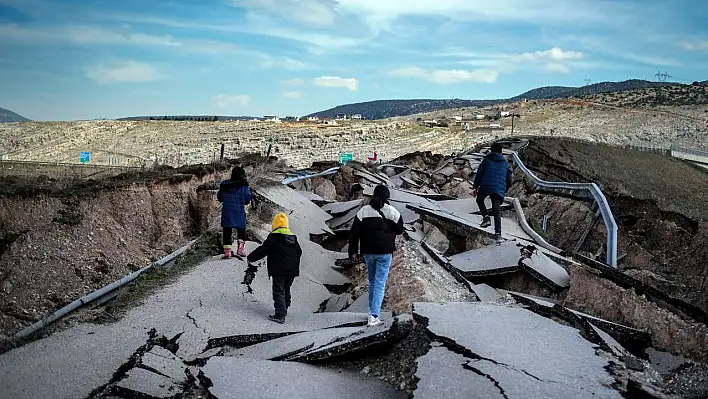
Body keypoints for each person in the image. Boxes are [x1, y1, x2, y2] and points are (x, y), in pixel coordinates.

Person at [348, 185, 404, 327]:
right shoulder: (391, 211)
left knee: (372, 281)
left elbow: (354, 234)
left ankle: (371, 311)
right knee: (379, 283)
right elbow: (399, 229)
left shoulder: (363, 211)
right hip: (385, 252)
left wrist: (353, 251)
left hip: (368, 252)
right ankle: (374, 316)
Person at [247, 212, 302, 324]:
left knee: (278, 290)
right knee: (286, 288)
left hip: (279, 269)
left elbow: (262, 250)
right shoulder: (293, 238)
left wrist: (250, 258)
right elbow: (299, 252)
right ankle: (285, 308)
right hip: (292, 271)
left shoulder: (274, 238)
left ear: (275, 225)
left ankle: (280, 315)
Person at [472, 142, 513, 240]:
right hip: (499, 188)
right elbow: (509, 179)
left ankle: (486, 218)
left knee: (480, 200)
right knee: (496, 208)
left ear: (491, 150)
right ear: (501, 151)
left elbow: (479, 173)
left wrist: (475, 186)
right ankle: (498, 234)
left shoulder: (486, 160)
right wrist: (504, 189)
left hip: (486, 185)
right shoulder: (505, 164)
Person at [217, 166, 252, 258]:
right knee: (241, 230)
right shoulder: (245, 185)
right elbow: (247, 200)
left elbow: (220, 198)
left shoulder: (224, 185)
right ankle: (240, 250)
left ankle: (227, 252)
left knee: (227, 231)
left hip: (227, 211)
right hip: (239, 211)